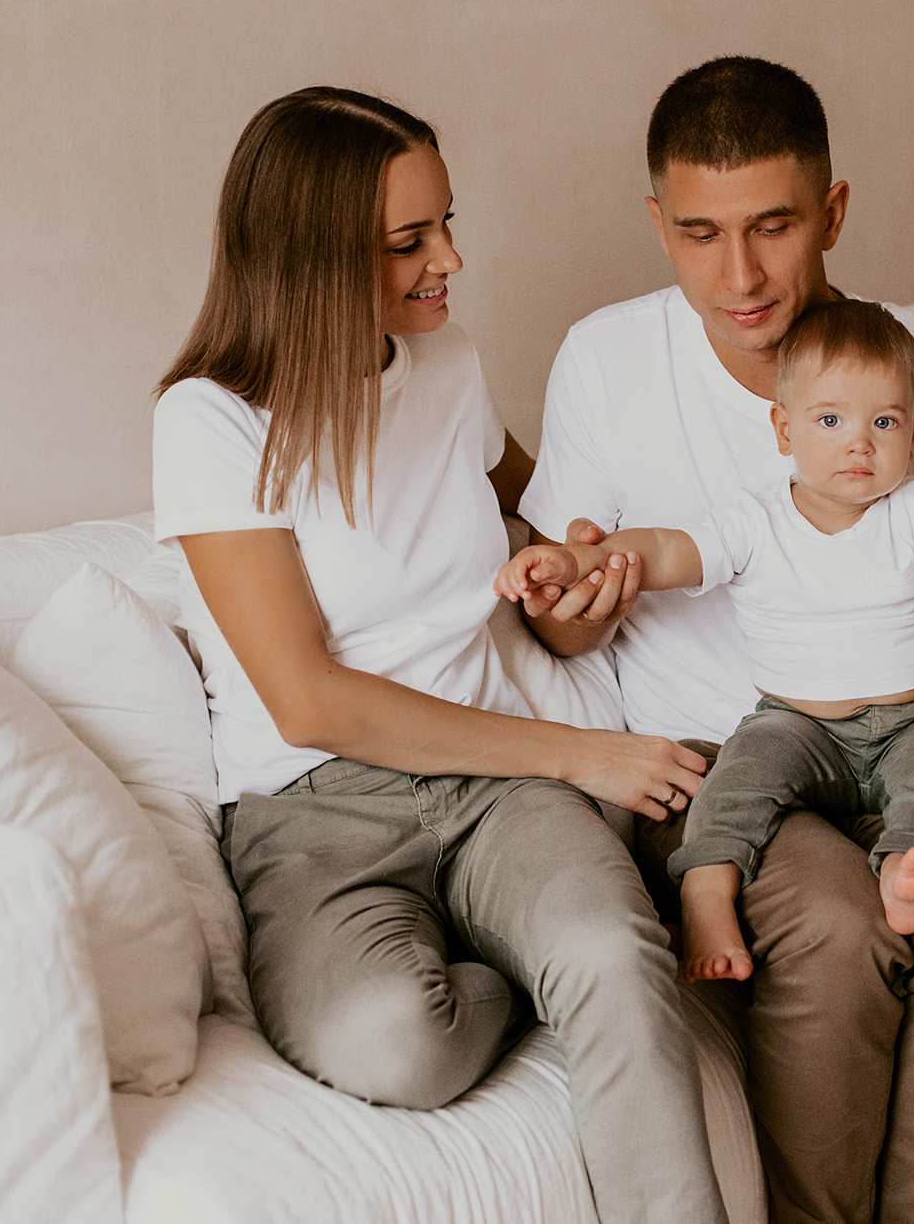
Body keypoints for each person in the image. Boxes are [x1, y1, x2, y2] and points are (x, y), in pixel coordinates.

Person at [518, 57, 914, 1224]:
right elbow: (564, 626)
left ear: (834, 211)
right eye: (700, 233)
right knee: (833, 918)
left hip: (907, 735)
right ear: (656, 225)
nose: (740, 273)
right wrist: (577, 600)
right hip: (725, 765)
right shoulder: (606, 361)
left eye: (772, 225)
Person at [150, 87, 729, 1224]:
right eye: (408, 242)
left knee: (612, 958)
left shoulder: (447, 362)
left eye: (444, 223)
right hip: (318, 812)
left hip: (500, 793)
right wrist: (580, 757)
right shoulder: (210, 422)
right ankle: (510, 959)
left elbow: (548, 511)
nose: (449, 259)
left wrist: (571, 561)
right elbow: (310, 701)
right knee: (399, 1041)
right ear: (314, 258)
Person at [497, 300, 914, 981]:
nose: (858, 443)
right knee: (734, 783)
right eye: (830, 420)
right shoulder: (755, 522)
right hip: (796, 724)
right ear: (784, 429)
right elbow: (663, 548)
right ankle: (706, 893)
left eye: (884, 422)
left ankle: (905, 873)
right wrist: (580, 562)